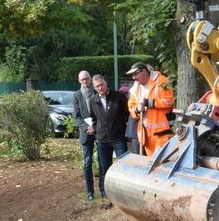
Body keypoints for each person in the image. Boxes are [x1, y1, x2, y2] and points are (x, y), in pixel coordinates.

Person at [89, 74, 129, 204]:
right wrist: (93, 128)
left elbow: (127, 115)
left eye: (101, 85)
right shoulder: (93, 100)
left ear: (106, 83)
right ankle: (105, 193)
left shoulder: (119, 97)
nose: (100, 88)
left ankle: (124, 193)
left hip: (118, 138)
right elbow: (93, 118)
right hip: (102, 139)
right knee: (104, 166)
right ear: (94, 88)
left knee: (123, 166)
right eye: (97, 86)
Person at [126, 61, 176, 156]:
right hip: (146, 135)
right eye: (132, 75)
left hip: (163, 132)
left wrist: (150, 102)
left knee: (161, 162)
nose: (133, 78)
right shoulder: (135, 88)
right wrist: (137, 109)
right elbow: (131, 107)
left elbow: (169, 101)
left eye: (135, 74)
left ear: (144, 71)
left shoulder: (161, 81)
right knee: (151, 164)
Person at [71, 70, 99, 200]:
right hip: (85, 133)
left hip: (99, 132)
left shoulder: (97, 91)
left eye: (87, 79)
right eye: (82, 79)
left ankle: (104, 190)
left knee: (102, 162)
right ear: (79, 80)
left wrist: (95, 126)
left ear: (90, 79)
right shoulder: (76, 95)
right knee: (87, 162)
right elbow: (76, 117)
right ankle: (90, 192)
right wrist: (87, 127)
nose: (85, 81)